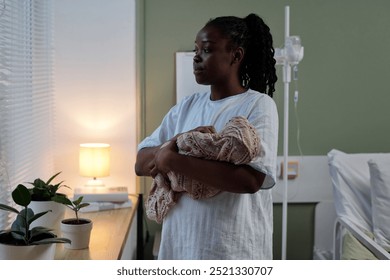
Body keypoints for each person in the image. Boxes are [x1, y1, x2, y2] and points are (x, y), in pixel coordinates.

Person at [135, 13, 278, 260]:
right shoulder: (186, 107)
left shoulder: (257, 105)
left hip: (231, 252)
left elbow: (250, 180)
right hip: (181, 248)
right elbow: (140, 163)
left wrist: (173, 160)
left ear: (236, 55)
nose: (196, 57)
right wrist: (173, 147)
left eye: (207, 49)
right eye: (196, 49)